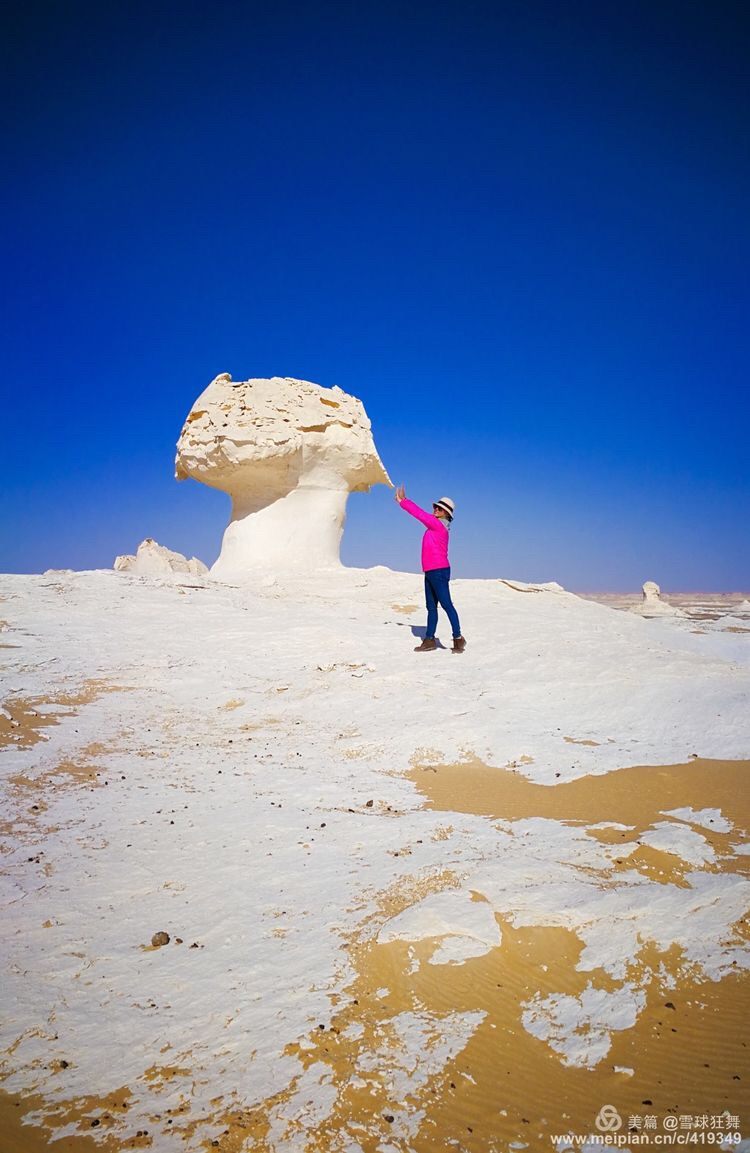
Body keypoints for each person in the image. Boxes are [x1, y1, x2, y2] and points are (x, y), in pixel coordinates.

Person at [395, 485, 466, 653]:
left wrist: (403, 502)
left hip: (439, 571)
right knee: (431, 607)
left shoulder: (438, 526)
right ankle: (429, 640)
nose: (435, 509)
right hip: (430, 571)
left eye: (439, 508)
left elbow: (419, 514)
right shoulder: (435, 527)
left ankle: (458, 638)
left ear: (446, 513)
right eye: (435, 506)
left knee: (446, 604)